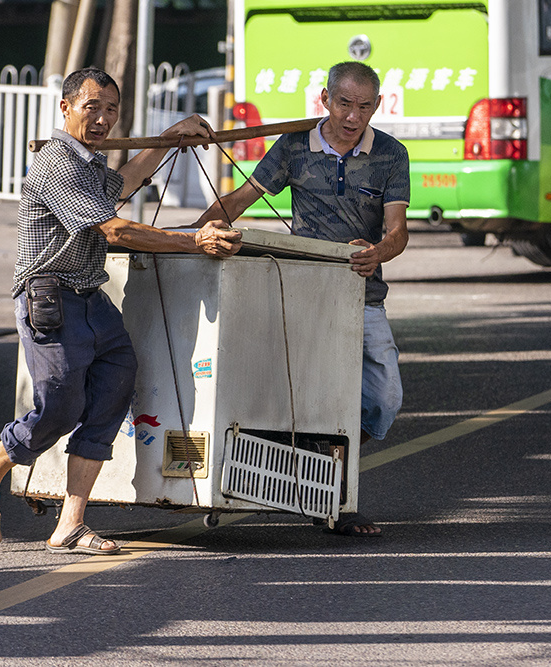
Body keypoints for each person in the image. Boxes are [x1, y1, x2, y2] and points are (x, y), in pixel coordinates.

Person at [0, 67, 242, 555]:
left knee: (112, 393)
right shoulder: (58, 164)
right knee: (60, 408)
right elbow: (115, 229)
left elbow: (122, 184)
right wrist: (193, 240)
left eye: (111, 110)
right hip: (50, 299)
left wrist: (168, 140)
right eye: (92, 107)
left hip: (92, 298)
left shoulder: (89, 163)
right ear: (65, 107)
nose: (103, 119)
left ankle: (70, 524)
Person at [196, 61, 409, 537]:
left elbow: (398, 230)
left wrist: (378, 252)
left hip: (362, 291)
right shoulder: (294, 146)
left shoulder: (391, 154)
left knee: (385, 397)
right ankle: (333, 497)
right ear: (325, 99)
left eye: (365, 106)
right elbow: (241, 198)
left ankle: (322, 459)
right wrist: (195, 234)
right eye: (344, 103)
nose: (353, 116)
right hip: (301, 291)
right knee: (302, 392)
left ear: (377, 105)